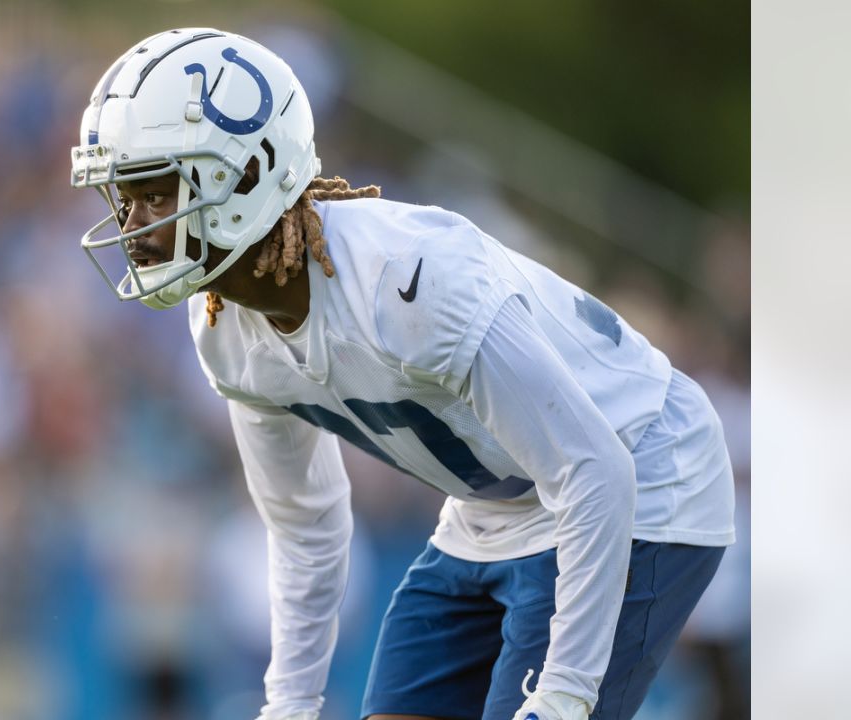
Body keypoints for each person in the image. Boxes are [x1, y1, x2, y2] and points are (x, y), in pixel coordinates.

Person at [70, 28, 734, 720]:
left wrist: (564, 695)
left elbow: (597, 468)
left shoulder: (408, 282)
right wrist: (290, 703)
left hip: (644, 468)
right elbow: (306, 526)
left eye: (155, 194)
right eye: (125, 199)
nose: (134, 227)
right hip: (493, 513)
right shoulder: (224, 334)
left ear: (244, 175)